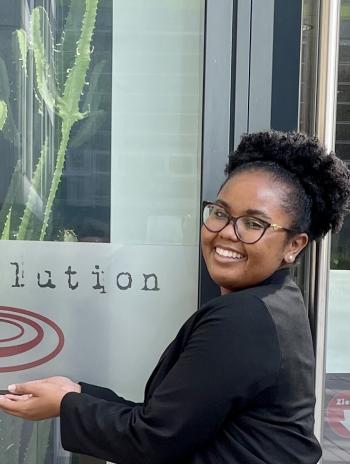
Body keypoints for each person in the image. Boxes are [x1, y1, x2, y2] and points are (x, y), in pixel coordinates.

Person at [1, 130, 350, 464]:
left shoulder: (244, 319)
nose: (227, 233)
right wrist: (76, 393)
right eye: (220, 213)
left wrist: (65, 403)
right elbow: (175, 422)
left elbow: (152, 440)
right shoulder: (278, 303)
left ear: (294, 245)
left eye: (254, 224)